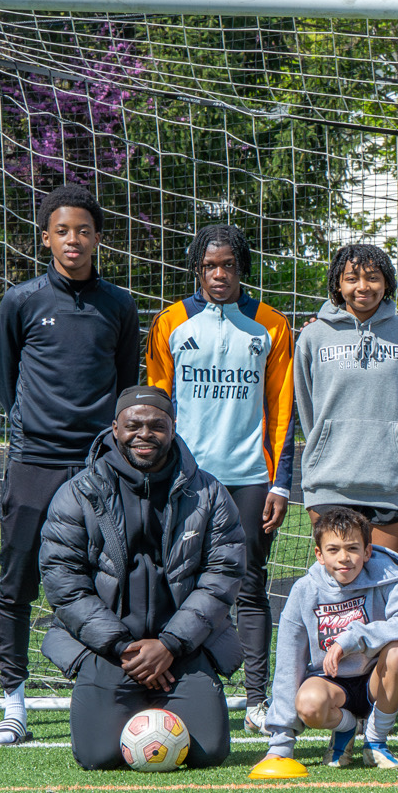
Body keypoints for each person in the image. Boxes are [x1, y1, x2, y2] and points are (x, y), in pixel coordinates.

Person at [0, 184, 142, 745]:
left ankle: (105, 687)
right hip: (35, 460)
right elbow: (8, 383)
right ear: (47, 237)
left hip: (97, 465)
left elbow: (125, 386)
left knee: (109, 580)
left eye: (83, 230)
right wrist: (36, 430)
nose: (73, 240)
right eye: (62, 231)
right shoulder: (21, 301)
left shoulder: (120, 306)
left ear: (98, 238)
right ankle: (14, 702)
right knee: (17, 580)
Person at [37, 387, 243, 770]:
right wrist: (123, 648)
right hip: (110, 651)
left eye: (156, 425)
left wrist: (169, 644)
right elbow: (62, 582)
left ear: (173, 427)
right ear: (115, 429)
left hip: (185, 648)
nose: (144, 434)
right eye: (133, 425)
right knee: (97, 756)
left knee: (209, 752)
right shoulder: (78, 492)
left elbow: (223, 575)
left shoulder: (209, 493)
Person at [147, 224, 295, 736]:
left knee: (249, 585)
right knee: (179, 585)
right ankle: (183, 689)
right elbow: (155, 406)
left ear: (241, 269)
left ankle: (257, 701)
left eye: (228, 265)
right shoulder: (170, 322)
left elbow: (282, 411)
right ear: (197, 269)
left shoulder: (271, 326)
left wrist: (281, 484)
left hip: (250, 477)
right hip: (184, 475)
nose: (218, 274)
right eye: (210, 265)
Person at [291, 243, 398, 557]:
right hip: (330, 482)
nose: (362, 287)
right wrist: (325, 445)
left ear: (386, 283)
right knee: (337, 591)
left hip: (394, 483)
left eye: (372, 277)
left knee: (386, 589)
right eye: (352, 278)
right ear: (337, 284)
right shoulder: (313, 337)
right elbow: (307, 406)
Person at [260, 505, 398, 772]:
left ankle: (376, 741)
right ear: (319, 555)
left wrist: (353, 637)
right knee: (309, 703)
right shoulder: (304, 590)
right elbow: (289, 663)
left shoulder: (386, 579)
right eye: (333, 549)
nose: (344, 557)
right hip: (331, 683)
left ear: (367, 552)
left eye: (353, 548)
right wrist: (280, 745)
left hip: (375, 679)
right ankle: (346, 729)